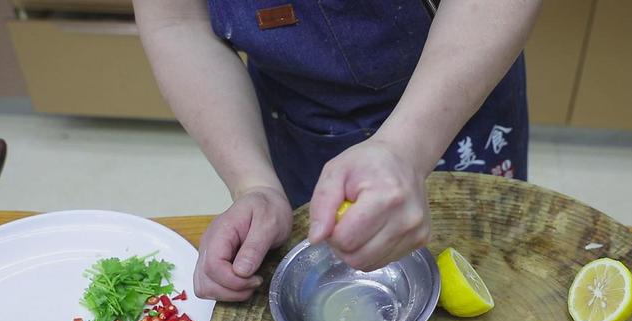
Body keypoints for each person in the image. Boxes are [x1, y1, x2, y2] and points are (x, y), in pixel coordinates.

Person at [133, 0, 542, 301]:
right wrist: (253, 182)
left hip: (455, 90)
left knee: (487, 279)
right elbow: (177, 21)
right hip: (303, 118)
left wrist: (406, 147)